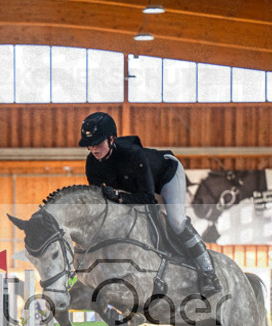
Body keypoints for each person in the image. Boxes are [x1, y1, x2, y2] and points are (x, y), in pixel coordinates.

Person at [79, 111, 221, 296]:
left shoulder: (133, 154)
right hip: (135, 188)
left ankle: (208, 272)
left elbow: (148, 198)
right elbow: (99, 202)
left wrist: (119, 198)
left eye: (97, 144)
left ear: (111, 138)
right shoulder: (92, 163)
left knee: (176, 221)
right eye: (90, 146)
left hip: (166, 177)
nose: (93, 149)